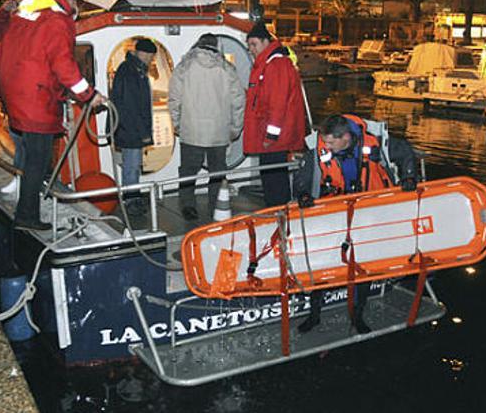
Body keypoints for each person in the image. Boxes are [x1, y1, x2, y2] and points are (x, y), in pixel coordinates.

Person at [0, 0, 103, 231]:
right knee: (37, 161)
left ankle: (34, 202)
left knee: (33, 157)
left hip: (17, 96)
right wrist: (89, 95)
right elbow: (64, 65)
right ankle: (26, 215)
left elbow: (1, 53)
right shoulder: (58, 20)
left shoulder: (25, 14)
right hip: (36, 100)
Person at [293, 114, 419, 334]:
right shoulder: (319, 150)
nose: (326, 145)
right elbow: (302, 177)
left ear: (346, 138)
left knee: (363, 266)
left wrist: (408, 177)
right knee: (323, 264)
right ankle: (314, 315)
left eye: (331, 142)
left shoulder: (375, 144)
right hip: (334, 210)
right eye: (325, 141)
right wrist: (303, 195)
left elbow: (405, 152)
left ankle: (357, 316)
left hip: (369, 212)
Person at [168, 33, 246, 220]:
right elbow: (238, 102)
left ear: (198, 44)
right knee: (218, 172)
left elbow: (174, 100)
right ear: (216, 47)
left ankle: (188, 206)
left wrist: (177, 124)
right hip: (219, 132)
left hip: (191, 131)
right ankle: (216, 205)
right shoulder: (227, 69)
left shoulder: (184, 67)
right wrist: (235, 128)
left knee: (188, 172)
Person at [0, 0, 41, 194]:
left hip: (32, 97)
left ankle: (27, 183)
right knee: (21, 142)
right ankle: (24, 181)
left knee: (30, 145)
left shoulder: (41, 22)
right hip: (15, 97)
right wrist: (2, 13)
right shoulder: (11, 21)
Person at [243, 23, 307, 207]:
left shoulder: (276, 65)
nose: (252, 50)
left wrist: (270, 137)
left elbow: (277, 105)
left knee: (274, 181)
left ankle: (278, 215)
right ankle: (277, 213)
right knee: (272, 178)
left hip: (274, 140)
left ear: (265, 42)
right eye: (249, 46)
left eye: (254, 44)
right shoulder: (271, 64)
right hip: (272, 137)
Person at [111, 38, 157, 215]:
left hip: (128, 127)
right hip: (131, 128)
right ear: (142, 53)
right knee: (132, 166)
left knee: (132, 165)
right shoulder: (132, 71)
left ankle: (132, 197)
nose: (151, 59)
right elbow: (131, 105)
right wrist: (143, 132)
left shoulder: (130, 68)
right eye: (151, 56)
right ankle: (131, 202)